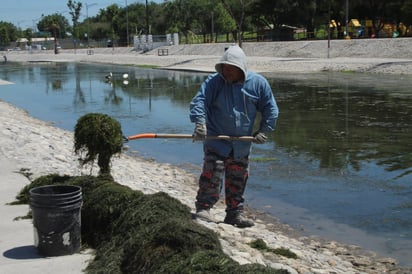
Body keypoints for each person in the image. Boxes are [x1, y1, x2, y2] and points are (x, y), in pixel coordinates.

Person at [189, 45, 279, 228]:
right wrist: (200, 123)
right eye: (224, 68)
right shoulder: (214, 82)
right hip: (217, 140)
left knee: (238, 178)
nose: (226, 72)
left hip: (241, 144)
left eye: (231, 69)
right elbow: (199, 101)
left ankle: (234, 214)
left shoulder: (258, 83)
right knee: (211, 175)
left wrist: (264, 131)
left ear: (241, 68)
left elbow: (271, 109)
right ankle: (203, 208)